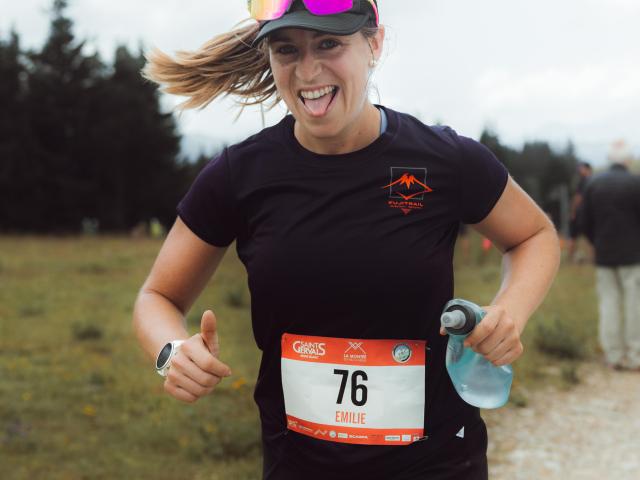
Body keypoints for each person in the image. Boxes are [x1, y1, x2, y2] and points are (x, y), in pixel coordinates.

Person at [132, 1, 560, 478]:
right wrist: (171, 352)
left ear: (374, 43)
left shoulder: (445, 160)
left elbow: (534, 236)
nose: (308, 70)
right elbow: (158, 297)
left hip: (436, 463)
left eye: (329, 43)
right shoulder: (239, 175)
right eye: (286, 49)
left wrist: (509, 312)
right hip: (299, 466)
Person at [580, 141, 640, 372]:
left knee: (608, 303)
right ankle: (635, 355)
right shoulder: (636, 182)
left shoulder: (593, 183)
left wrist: (597, 243)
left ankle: (613, 355)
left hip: (605, 254)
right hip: (633, 255)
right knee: (634, 305)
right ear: (627, 160)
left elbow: (584, 222)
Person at [567, 162, 593, 263]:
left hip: (580, 213)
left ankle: (571, 258)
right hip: (588, 213)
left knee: (573, 236)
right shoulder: (593, 181)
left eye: (581, 168)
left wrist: (573, 211)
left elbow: (578, 198)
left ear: (587, 169)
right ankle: (591, 258)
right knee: (590, 238)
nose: (579, 171)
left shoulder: (584, 181)